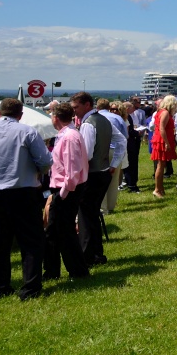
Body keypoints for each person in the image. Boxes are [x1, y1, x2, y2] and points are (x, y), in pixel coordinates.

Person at [0, 98, 52, 300]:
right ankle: (31, 287)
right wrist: (35, 169)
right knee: (30, 240)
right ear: (20, 115)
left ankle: (1, 287)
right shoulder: (28, 132)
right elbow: (45, 161)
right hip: (23, 192)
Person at [70, 91, 122, 267]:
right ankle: (97, 254)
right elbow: (121, 140)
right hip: (103, 172)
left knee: (85, 216)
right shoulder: (104, 120)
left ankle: (87, 256)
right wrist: (113, 163)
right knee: (92, 215)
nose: (74, 110)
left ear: (87, 105)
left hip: (91, 174)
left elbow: (86, 154)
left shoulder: (88, 124)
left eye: (76, 107)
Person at [43, 102, 90, 280]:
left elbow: (72, 171)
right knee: (56, 231)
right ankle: (54, 270)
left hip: (67, 190)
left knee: (63, 231)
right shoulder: (67, 134)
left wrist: (61, 195)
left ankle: (76, 270)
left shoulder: (69, 137)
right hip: (66, 188)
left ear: (55, 118)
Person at [97, 99, 128, 214]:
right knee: (114, 180)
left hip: (101, 151)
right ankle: (110, 205)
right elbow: (125, 136)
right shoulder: (118, 118)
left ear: (97, 107)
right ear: (109, 107)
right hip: (116, 150)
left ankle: (102, 207)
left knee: (100, 180)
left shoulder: (95, 118)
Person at [150, 95, 177, 199]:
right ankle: (157, 189)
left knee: (162, 165)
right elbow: (162, 128)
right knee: (161, 165)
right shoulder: (165, 113)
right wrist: (167, 143)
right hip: (162, 140)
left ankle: (160, 188)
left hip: (161, 139)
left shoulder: (160, 112)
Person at [122, 101, 142, 193]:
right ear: (127, 108)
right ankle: (131, 184)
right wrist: (137, 133)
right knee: (131, 164)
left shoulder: (126, 116)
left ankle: (129, 182)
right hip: (129, 143)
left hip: (128, 142)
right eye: (132, 108)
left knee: (129, 164)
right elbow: (129, 131)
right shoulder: (127, 117)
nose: (134, 109)